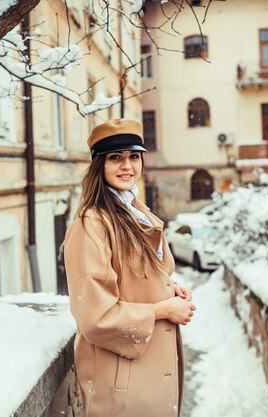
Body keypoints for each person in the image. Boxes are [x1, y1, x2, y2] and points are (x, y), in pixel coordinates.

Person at [63, 119, 196, 417]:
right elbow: (96, 316)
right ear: (99, 165)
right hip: (122, 387)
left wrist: (166, 288)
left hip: (148, 376)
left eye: (134, 157)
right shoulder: (92, 224)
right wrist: (163, 310)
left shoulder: (135, 211)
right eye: (116, 158)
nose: (127, 166)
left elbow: (133, 276)